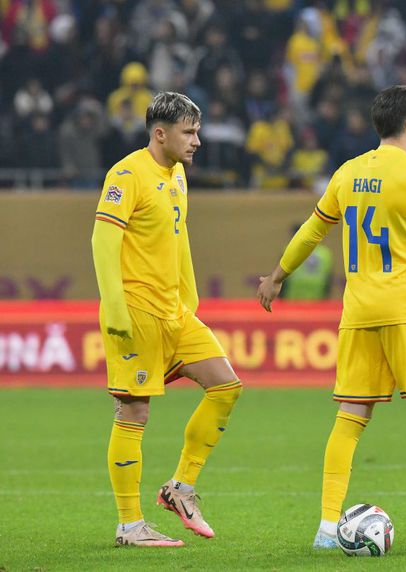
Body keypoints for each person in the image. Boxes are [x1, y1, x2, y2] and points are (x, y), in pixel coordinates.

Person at [256, 85, 406, 549]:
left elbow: (313, 229)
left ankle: (327, 530)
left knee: (350, 417)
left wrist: (277, 275)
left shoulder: (348, 173)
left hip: (359, 311)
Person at [92, 92, 242, 548]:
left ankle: (180, 488)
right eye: (189, 132)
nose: (198, 140)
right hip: (136, 311)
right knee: (134, 410)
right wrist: (114, 307)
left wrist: (189, 294)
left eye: (197, 131)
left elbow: (178, 239)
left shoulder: (176, 174)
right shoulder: (126, 174)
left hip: (175, 312)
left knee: (226, 385)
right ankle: (129, 525)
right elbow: (103, 241)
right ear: (161, 133)